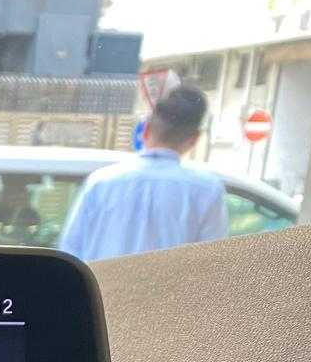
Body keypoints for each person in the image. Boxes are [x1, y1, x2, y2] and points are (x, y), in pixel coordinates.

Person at [59, 85, 229, 263]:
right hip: (169, 283)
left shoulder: (100, 182)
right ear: (194, 139)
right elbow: (212, 262)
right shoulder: (207, 190)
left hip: (97, 282)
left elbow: (70, 253)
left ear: (145, 129)